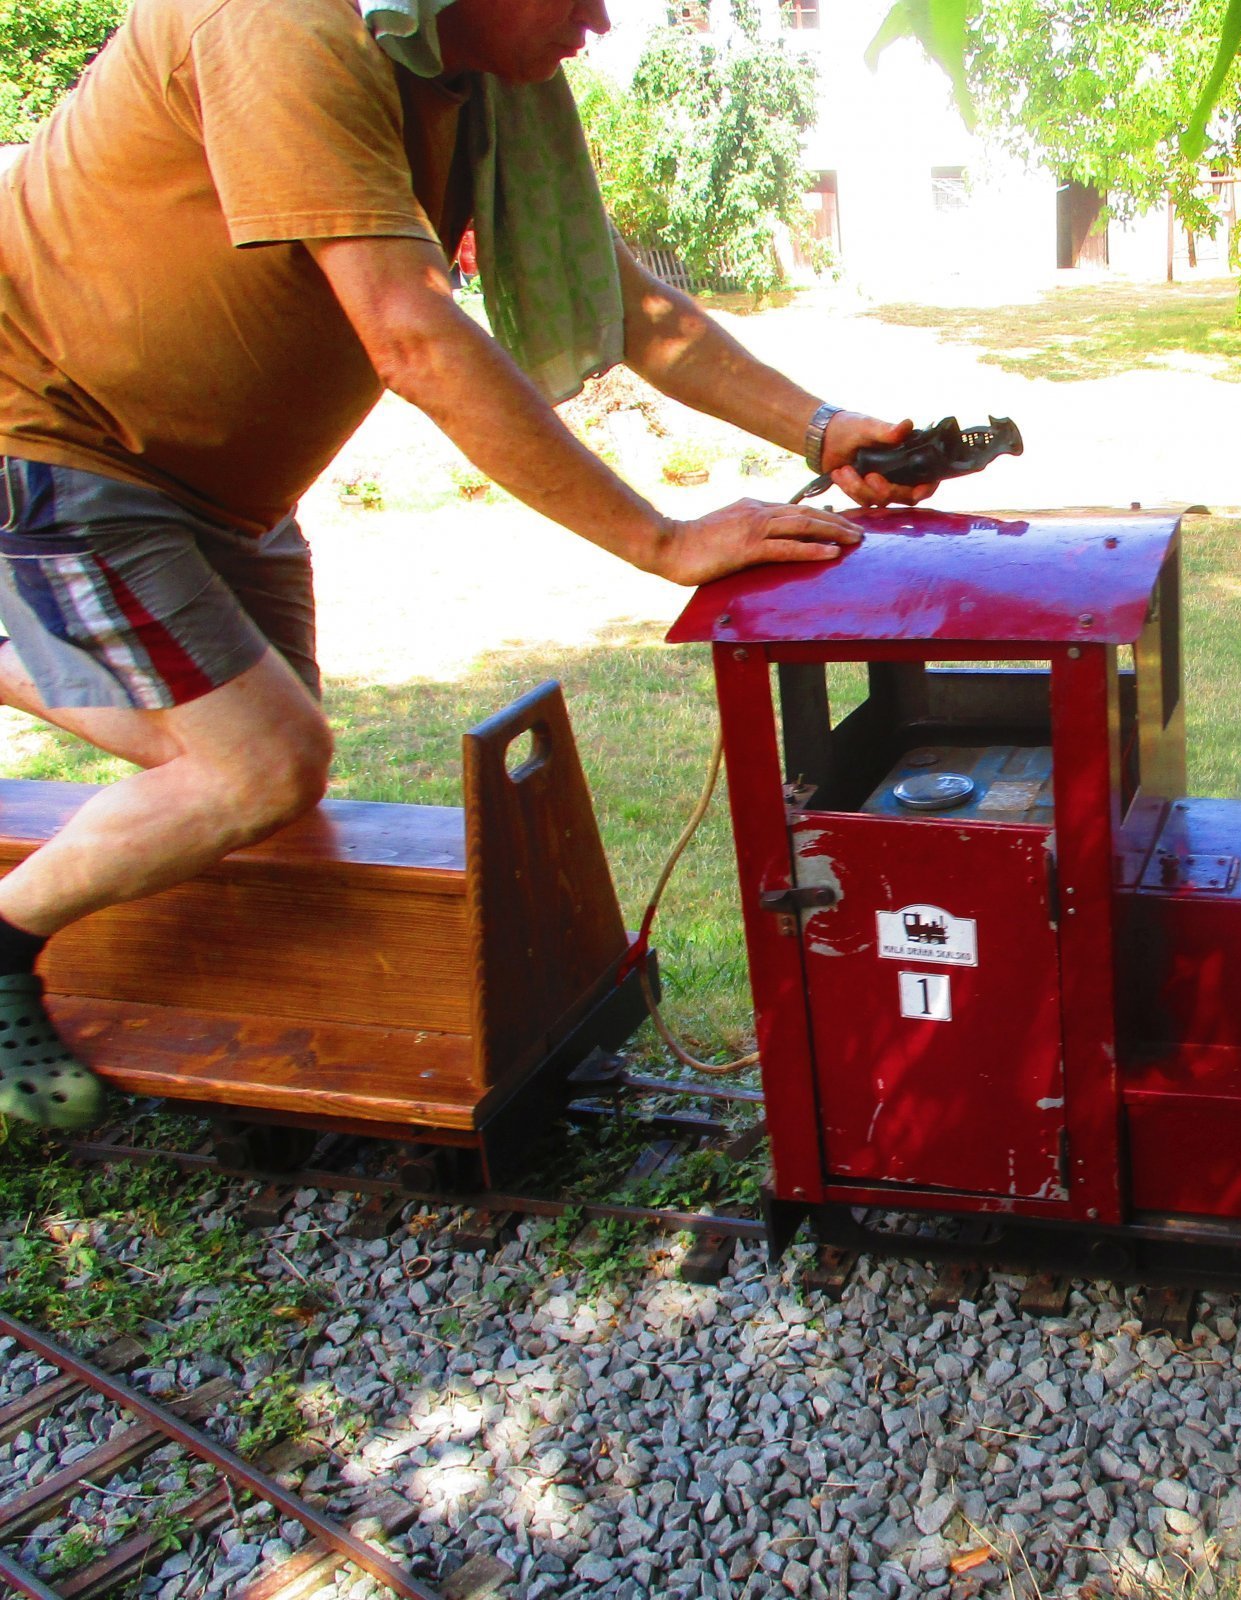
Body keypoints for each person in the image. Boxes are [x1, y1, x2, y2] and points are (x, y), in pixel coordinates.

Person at [0, 0, 932, 1127]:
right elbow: (411, 333)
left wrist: (818, 428)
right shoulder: (283, 22)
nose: (599, 21)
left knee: (262, 782)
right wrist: (663, 539)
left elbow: (621, 299)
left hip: (229, 499)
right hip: (61, 443)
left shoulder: (477, 77)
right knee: (257, 767)